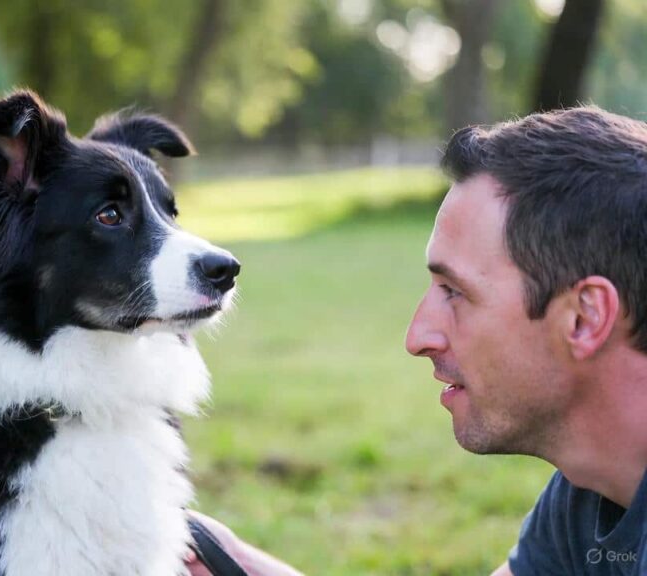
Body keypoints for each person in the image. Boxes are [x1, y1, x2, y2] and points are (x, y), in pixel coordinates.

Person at [186, 106, 647, 576]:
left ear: (584, 318)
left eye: (455, 292)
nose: (417, 337)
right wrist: (238, 565)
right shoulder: (591, 490)